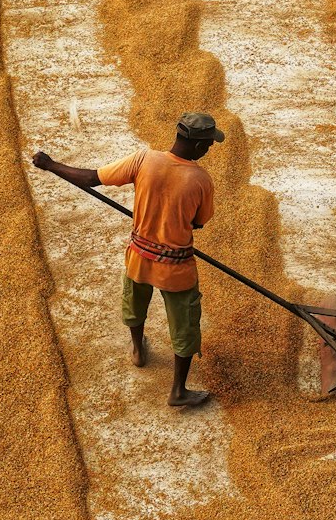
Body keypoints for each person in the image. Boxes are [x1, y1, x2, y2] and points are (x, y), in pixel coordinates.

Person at [31, 113, 224, 408]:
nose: (209, 149)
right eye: (209, 145)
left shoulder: (143, 160)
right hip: (176, 269)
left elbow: (91, 178)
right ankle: (178, 391)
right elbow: (199, 222)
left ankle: (137, 350)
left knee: (134, 304)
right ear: (199, 147)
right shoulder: (200, 180)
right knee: (184, 326)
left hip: (139, 258)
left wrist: (51, 165)